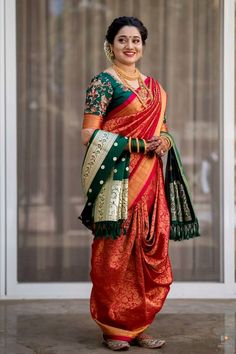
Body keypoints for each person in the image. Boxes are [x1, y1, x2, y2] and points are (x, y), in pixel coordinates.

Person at [80, 16, 199, 351]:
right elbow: (89, 134)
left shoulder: (155, 89)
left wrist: (166, 140)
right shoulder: (103, 83)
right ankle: (112, 328)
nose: (129, 46)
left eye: (135, 40)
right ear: (111, 45)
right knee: (114, 252)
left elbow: (162, 129)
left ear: (143, 45)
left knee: (150, 251)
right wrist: (134, 145)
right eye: (122, 40)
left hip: (151, 182)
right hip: (117, 180)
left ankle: (138, 325)